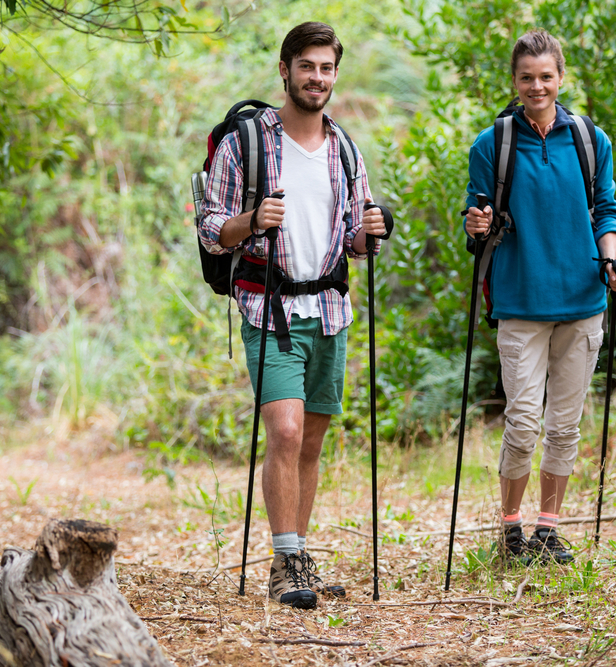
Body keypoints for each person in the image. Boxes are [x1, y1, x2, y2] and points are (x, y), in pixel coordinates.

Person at [198, 22, 389, 608]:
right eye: (307, 66)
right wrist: (252, 221)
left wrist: (369, 235)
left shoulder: (345, 149)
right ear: (285, 70)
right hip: (269, 306)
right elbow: (211, 231)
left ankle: (298, 554)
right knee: (282, 430)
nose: (317, 78)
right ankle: (285, 563)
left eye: (327, 67)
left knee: (310, 440)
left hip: (330, 308)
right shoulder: (247, 144)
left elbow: (351, 241)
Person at [463, 29, 616, 565]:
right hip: (520, 301)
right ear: (513, 82)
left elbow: (606, 208)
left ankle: (548, 529)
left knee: (564, 425)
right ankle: (511, 530)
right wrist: (476, 222)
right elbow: (476, 223)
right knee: (523, 423)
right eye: (527, 78)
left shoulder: (589, 138)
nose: (537, 86)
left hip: (584, 299)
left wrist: (610, 259)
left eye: (546, 77)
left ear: (561, 78)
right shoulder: (493, 144)